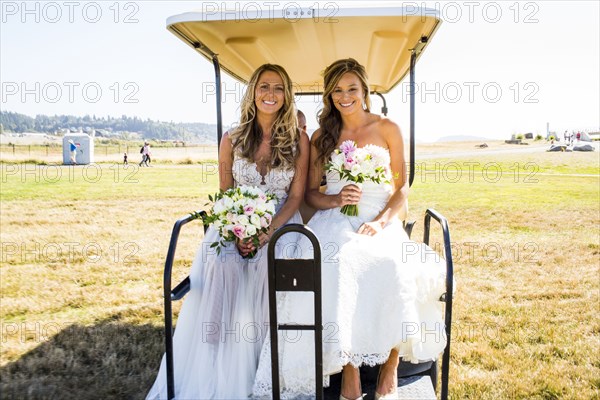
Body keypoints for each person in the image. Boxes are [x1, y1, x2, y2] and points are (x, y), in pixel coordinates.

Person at [252, 59, 447, 399]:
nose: (345, 96)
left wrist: (381, 221)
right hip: (338, 214)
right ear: (330, 95)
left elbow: (401, 188)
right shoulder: (321, 136)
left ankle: (391, 360)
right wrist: (336, 199)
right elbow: (310, 193)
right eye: (338, 90)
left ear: (365, 91)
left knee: (392, 263)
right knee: (335, 262)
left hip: (380, 215)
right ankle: (350, 368)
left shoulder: (388, 128)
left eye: (352, 89)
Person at [145, 64, 309, 399]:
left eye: (278, 88)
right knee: (222, 261)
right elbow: (226, 194)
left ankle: (267, 358)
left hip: (280, 223)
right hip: (235, 222)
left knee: (271, 263)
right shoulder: (231, 140)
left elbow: (295, 197)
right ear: (252, 92)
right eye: (264, 86)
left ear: (287, 95)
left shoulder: (298, 140)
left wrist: (267, 232)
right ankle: (217, 353)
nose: (271, 94)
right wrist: (238, 230)